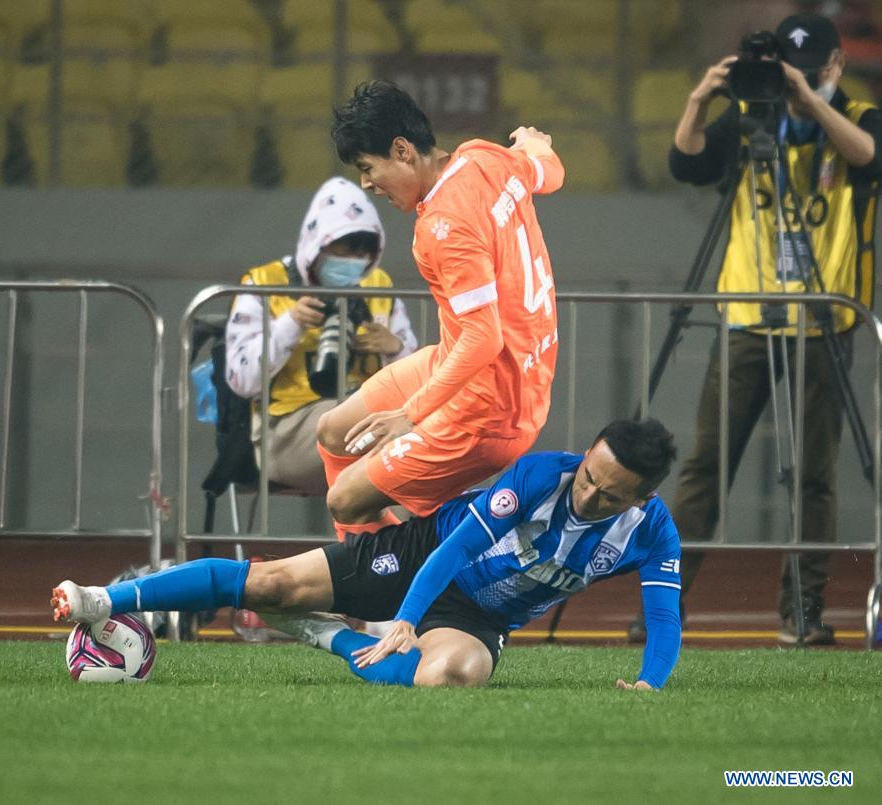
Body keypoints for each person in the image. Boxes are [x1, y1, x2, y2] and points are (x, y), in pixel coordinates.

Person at [52, 419, 682, 690]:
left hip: (480, 616)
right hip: (424, 553)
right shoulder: (542, 475)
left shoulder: (651, 534)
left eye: (609, 495)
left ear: (642, 498)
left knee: (450, 677)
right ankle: (103, 599)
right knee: (274, 585)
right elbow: (459, 546)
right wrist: (406, 616)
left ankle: (323, 634)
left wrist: (649, 684)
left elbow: (663, 618)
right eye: (590, 476)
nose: (589, 494)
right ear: (587, 455)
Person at [628, 13, 882, 647]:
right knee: (705, 469)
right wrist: (698, 100)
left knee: (815, 476)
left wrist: (809, 103)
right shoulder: (747, 121)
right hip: (745, 317)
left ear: (835, 66)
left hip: (823, 320)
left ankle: (802, 610)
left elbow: (869, 156)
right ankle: (663, 605)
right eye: (791, 73)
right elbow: (686, 165)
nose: (799, 82)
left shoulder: (858, 116)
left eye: (812, 71)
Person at [315, 81, 565, 541]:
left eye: (368, 168)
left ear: (402, 150)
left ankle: (393, 578)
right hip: (485, 372)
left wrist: (410, 415)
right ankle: (379, 571)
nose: (366, 184)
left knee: (344, 501)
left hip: (490, 409)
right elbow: (549, 171)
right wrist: (533, 144)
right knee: (333, 432)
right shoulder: (484, 157)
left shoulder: (444, 227)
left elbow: (483, 337)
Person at [224, 176, 417, 496]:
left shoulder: (378, 285)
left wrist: (394, 349)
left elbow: (415, 382)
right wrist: (290, 325)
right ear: (318, 241)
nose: (354, 259)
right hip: (287, 430)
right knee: (396, 445)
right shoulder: (265, 283)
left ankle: (397, 531)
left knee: (408, 437)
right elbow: (241, 380)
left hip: (369, 420)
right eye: (345, 247)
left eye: (363, 251)